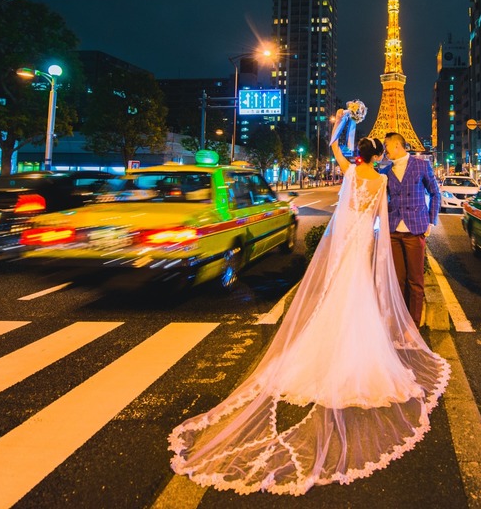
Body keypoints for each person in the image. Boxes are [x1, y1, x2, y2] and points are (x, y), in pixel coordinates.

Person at [168, 114, 450, 495]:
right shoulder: (381, 179)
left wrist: (346, 120)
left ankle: (327, 345)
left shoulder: (350, 172)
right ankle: (361, 347)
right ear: (380, 155)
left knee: (335, 292)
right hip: (364, 240)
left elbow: (335, 145)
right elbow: (380, 216)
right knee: (361, 293)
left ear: (359, 155)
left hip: (343, 242)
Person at [381, 131, 442, 327]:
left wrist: (430, 222)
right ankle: (400, 321)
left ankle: (413, 326)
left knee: (415, 280)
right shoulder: (386, 171)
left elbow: (435, 193)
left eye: (387, 146)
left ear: (397, 145)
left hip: (415, 229)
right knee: (398, 281)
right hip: (393, 231)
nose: (385, 151)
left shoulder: (421, 165)